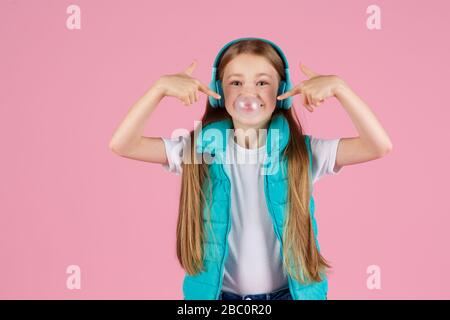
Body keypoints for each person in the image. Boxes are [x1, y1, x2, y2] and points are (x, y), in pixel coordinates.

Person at [109, 37, 393, 300]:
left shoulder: (302, 152)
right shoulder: (198, 151)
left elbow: (378, 145)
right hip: (218, 298)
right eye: (235, 83)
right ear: (218, 91)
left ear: (282, 90)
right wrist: (159, 88)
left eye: (261, 83)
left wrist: (340, 89)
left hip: (290, 295)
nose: (248, 93)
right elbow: (124, 144)